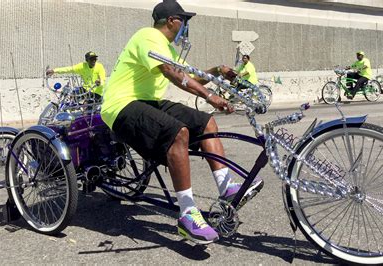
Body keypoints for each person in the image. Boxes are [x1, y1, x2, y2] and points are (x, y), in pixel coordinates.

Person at [101, 0, 263, 244]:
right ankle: (187, 215)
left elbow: (190, 76)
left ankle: (227, 189)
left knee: (206, 122)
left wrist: (218, 70)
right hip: (121, 105)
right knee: (178, 132)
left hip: (147, 102)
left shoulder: (167, 47)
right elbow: (171, 72)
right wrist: (209, 96)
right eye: (183, 20)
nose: (185, 26)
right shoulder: (147, 36)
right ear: (171, 21)